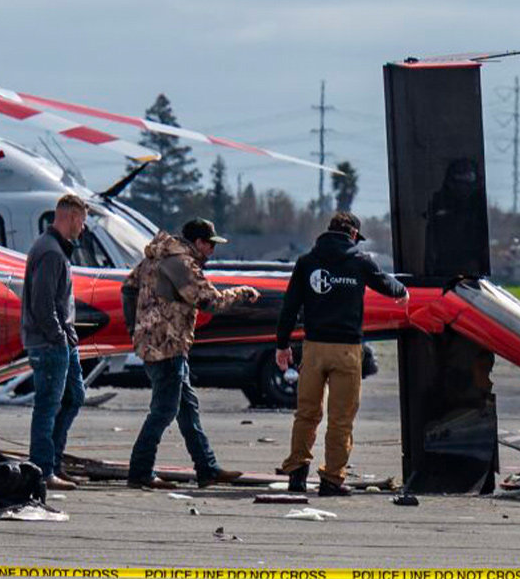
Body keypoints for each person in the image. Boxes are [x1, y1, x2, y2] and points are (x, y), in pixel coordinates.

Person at [274, 210, 407, 497]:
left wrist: (282, 345)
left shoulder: (307, 262)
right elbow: (388, 286)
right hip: (346, 350)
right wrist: (403, 291)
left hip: (313, 349)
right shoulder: (360, 261)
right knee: (340, 418)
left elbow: (289, 307)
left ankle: (296, 475)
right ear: (354, 235)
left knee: (306, 413)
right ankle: (332, 480)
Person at [125, 218, 259, 489]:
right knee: (163, 411)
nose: (211, 250)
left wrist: (135, 329)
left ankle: (207, 468)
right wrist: (243, 293)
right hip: (168, 347)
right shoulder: (181, 263)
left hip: (157, 344)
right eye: (210, 244)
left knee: (187, 410)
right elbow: (211, 301)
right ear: (198, 242)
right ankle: (140, 471)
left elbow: (128, 288)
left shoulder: (154, 257)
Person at [23, 194, 89, 490]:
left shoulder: (54, 249)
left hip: (62, 342)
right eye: (82, 221)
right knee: (47, 406)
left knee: (74, 396)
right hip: (51, 344)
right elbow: (42, 303)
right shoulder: (50, 252)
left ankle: (53, 464)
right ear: (71, 218)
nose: (83, 228)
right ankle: (42, 469)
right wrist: (59, 338)